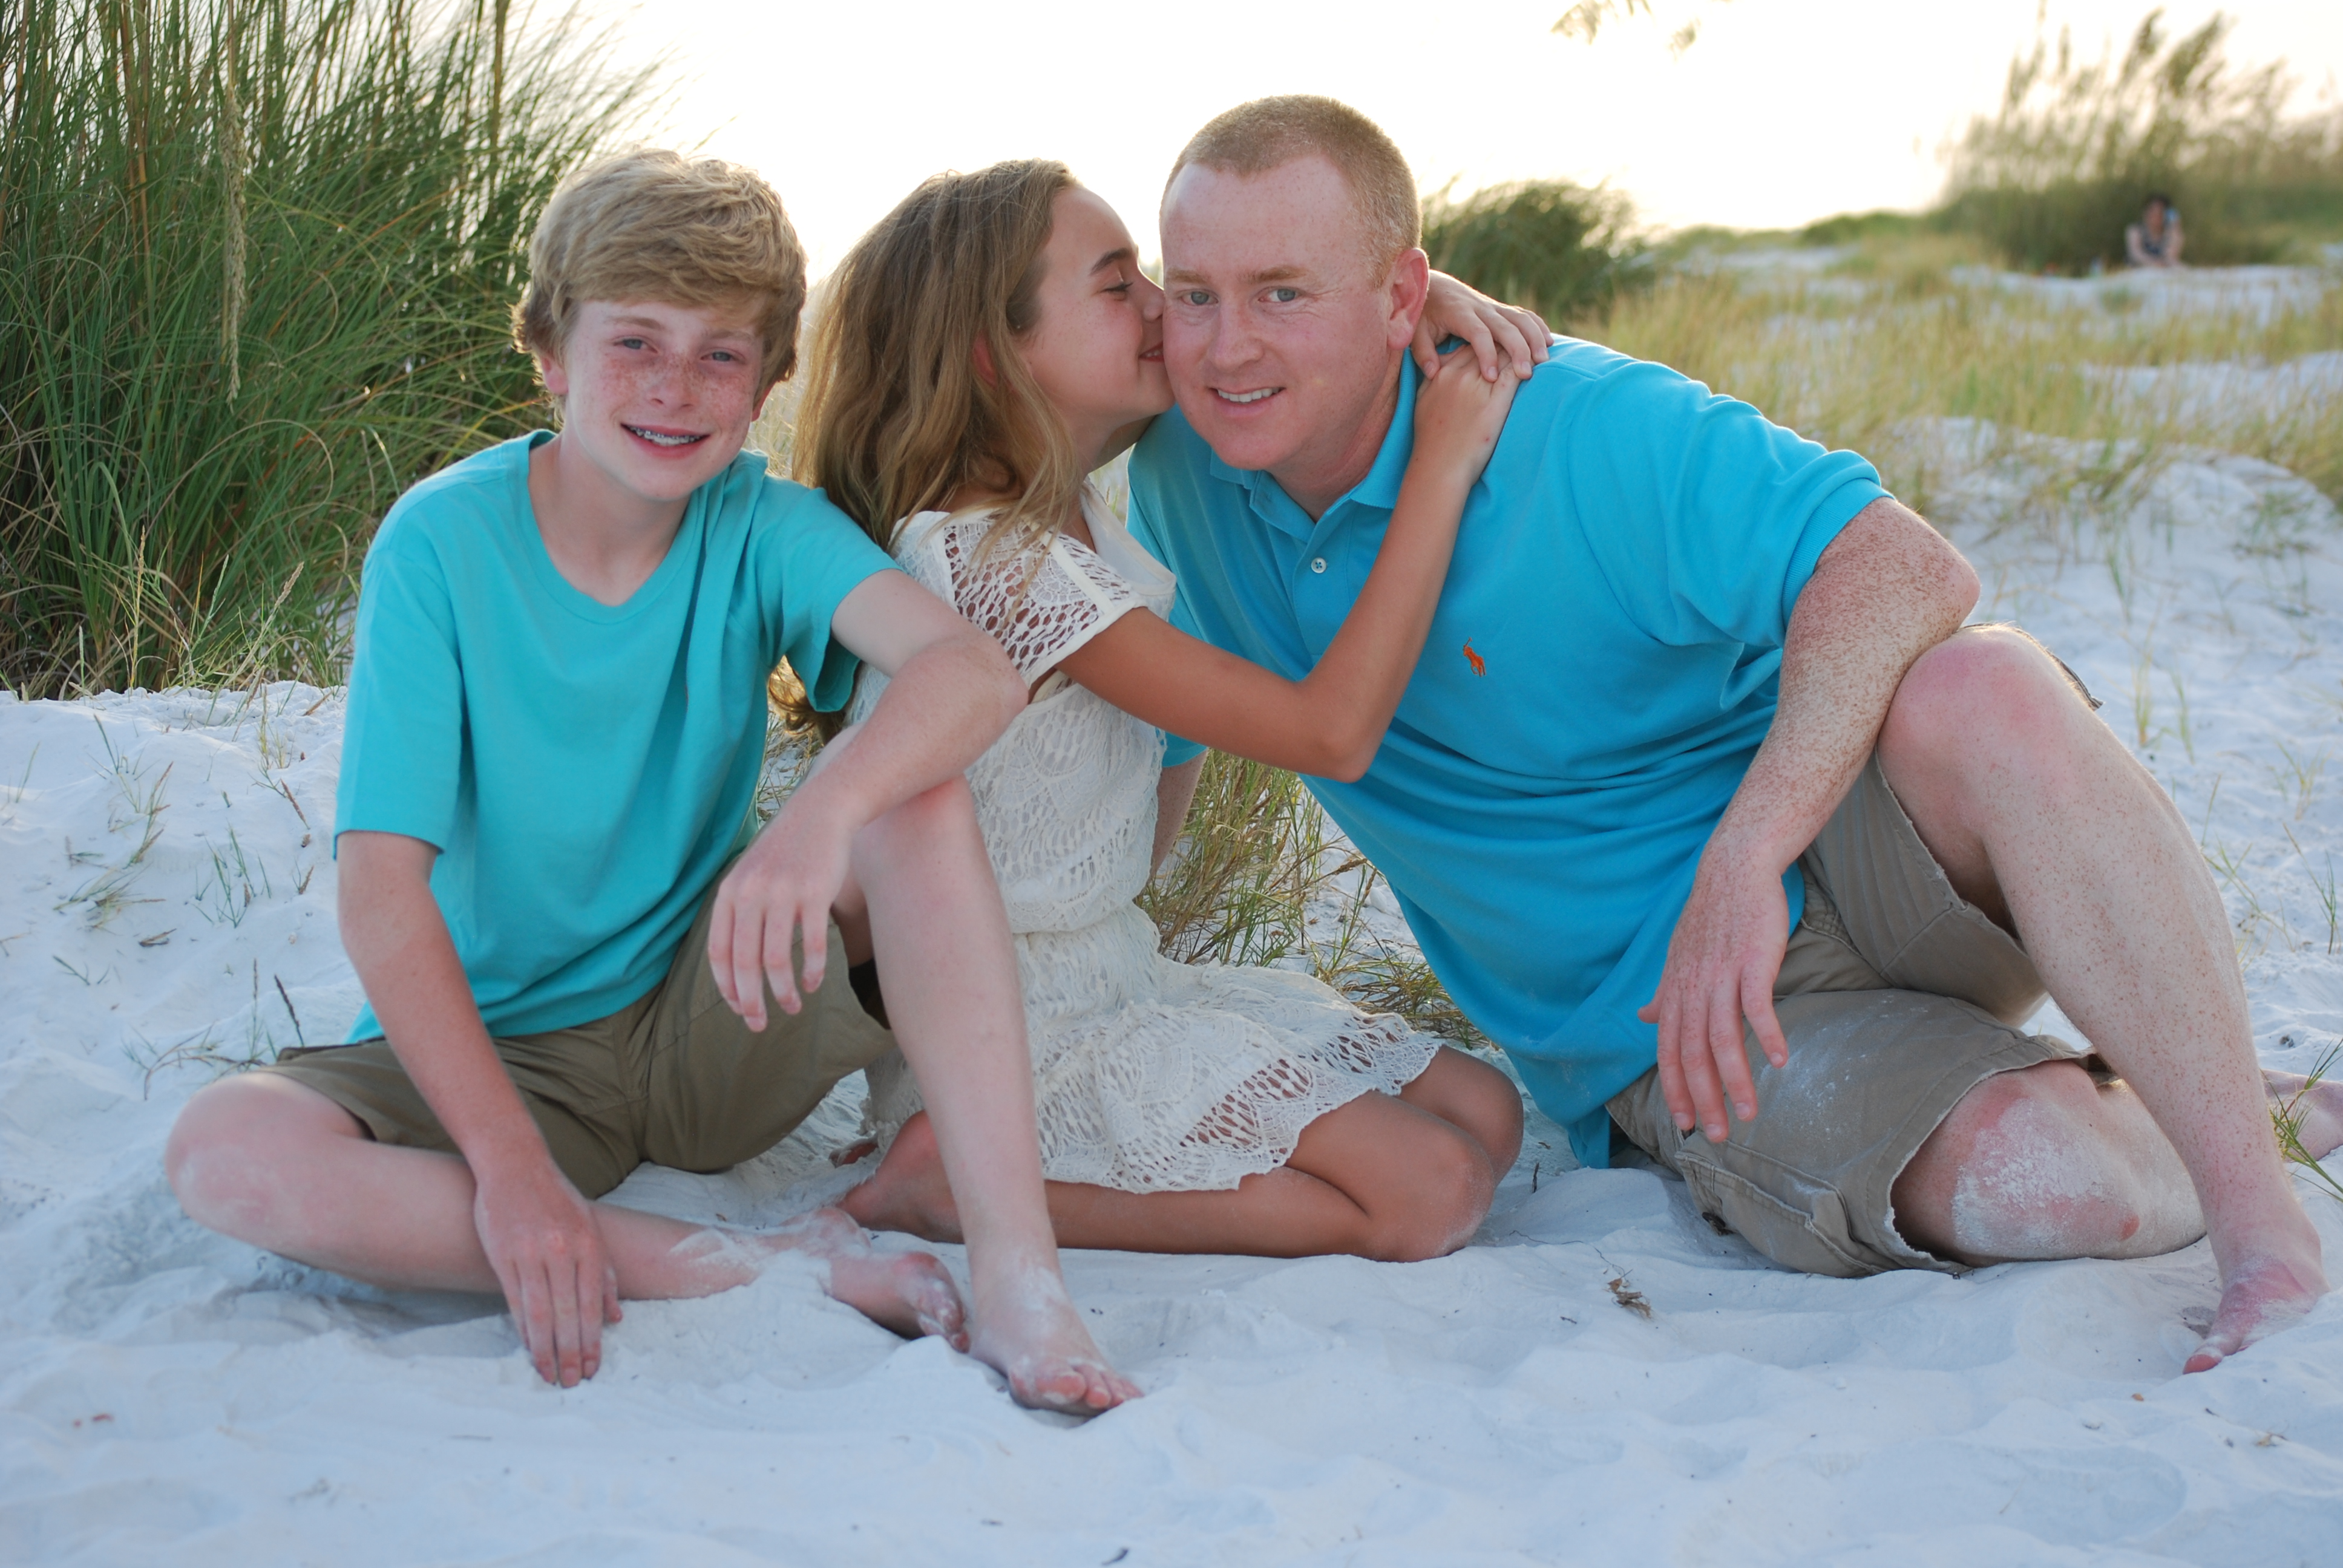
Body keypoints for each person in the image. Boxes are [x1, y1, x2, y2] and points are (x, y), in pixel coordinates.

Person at [1124, 95, 2343, 1372]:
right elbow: (1046, 410)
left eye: (1282, 293)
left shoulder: (1572, 421)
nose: (1227, 344)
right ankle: (2188, 1078)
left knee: (1988, 688)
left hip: (1838, 847)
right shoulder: (1174, 479)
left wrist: (1748, 853)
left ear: (1399, 298)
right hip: (1662, 1015)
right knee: (2054, 1185)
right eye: (1193, 293)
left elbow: (1904, 566)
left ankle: (2259, 1220)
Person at [163, 150, 1136, 1415]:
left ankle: (1018, 1277)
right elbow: (381, 891)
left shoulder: (759, 524)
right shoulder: (442, 544)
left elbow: (968, 673)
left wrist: (819, 819)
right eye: (635, 343)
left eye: (721, 355)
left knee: (914, 794)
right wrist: (510, 1171)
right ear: (550, 352)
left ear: (768, 382)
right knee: (226, 1152)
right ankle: (750, 1262)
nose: (676, 390)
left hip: (704, 1024)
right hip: (503, 1057)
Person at [804, 159, 1529, 1259]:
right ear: (997, 354)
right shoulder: (992, 564)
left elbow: (1282, 359)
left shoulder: (1069, 515)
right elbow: (1331, 734)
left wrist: (1414, 295)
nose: (1162, 307)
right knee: (1432, 1192)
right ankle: (943, 1180)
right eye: (1116, 285)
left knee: (1487, 1112)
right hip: (1021, 1025)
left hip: (1120, 970)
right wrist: (1440, 466)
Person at [2126, 194, 2185, 269]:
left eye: (2160, 212)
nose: (2155, 215)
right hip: (2139, 270)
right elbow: (2136, 254)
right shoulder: (2136, 231)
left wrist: (2175, 227)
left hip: (2162, 271)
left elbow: (2171, 258)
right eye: (2152, 210)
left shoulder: (2170, 233)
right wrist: (2154, 263)